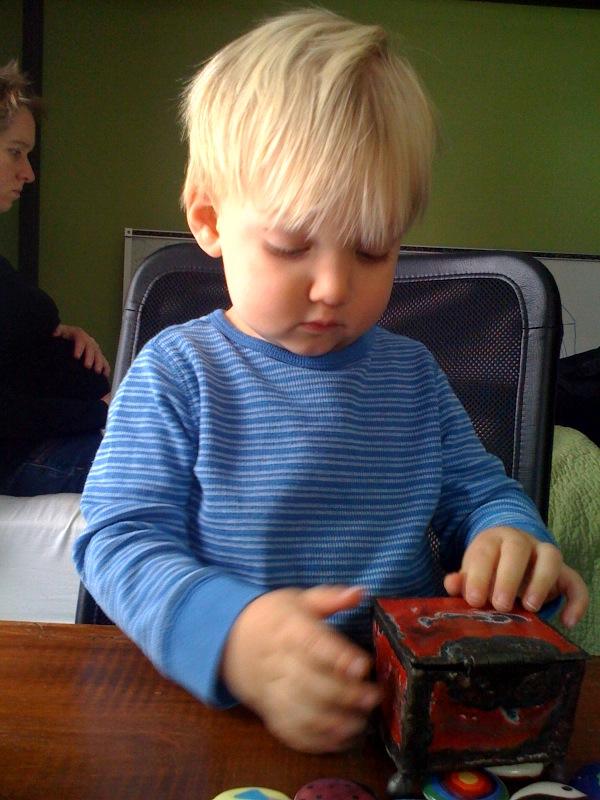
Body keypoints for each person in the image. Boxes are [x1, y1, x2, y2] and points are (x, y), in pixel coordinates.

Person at [73, 8, 588, 754]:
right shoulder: (178, 373)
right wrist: (231, 635)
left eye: (373, 250)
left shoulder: (413, 376)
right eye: (290, 246)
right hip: (229, 716)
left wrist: (509, 534)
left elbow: (479, 492)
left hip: (401, 711)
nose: (333, 287)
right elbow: (116, 539)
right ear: (210, 221)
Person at [0, 60, 111, 496]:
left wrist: (56, 330)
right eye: (15, 151)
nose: (28, 172)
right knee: (191, 461)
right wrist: (100, 412)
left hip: (48, 439)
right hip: (22, 453)